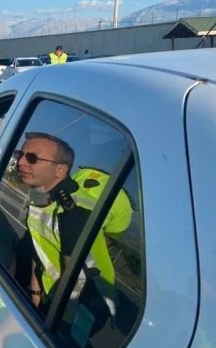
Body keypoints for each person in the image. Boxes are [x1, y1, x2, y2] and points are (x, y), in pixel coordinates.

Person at [14, 133, 131, 329]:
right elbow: (39, 248)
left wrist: (50, 322)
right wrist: (35, 294)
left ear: (60, 170)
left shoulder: (73, 214)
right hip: (51, 292)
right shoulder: (42, 197)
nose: (21, 162)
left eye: (32, 158)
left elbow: (75, 282)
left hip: (83, 305)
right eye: (20, 154)